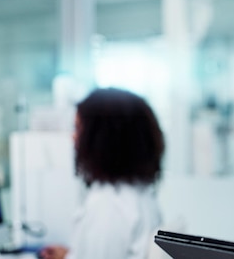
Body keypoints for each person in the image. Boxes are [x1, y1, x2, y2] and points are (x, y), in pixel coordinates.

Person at [39, 88, 165, 259]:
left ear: (100, 139)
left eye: (78, 128)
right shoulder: (139, 195)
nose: (73, 138)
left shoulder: (108, 208)